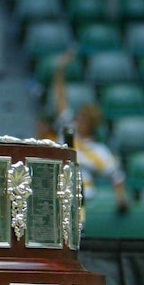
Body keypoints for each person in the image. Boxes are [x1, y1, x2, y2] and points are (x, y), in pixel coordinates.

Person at [52, 50, 130, 213]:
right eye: (79, 117)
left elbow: (117, 176)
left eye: (83, 119)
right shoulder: (68, 129)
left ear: (91, 124)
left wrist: (121, 199)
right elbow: (60, 98)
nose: (78, 121)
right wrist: (60, 70)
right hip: (54, 191)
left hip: (82, 199)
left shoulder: (98, 151)